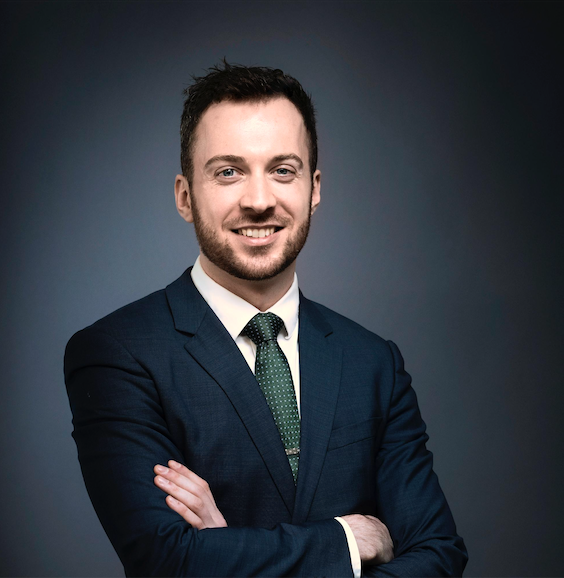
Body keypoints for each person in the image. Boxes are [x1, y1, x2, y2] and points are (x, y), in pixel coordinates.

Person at [64, 62, 468, 577]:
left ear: (314, 189)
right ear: (185, 196)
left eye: (282, 170)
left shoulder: (374, 363)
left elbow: (439, 558)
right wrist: (348, 541)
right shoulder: (117, 355)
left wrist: (226, 549)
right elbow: (169, 561)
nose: (258, 201)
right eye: (228, 172)